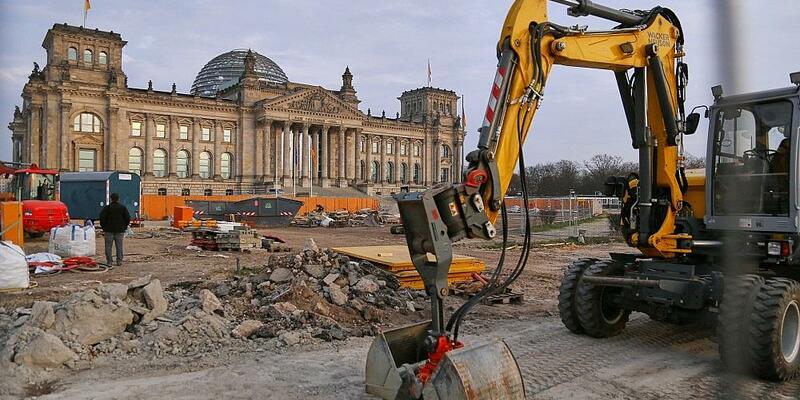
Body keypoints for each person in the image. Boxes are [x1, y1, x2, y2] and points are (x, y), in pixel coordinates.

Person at [99, 193, 130, 266]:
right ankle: (119, 261)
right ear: (118, 199)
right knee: (119, 246)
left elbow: (102, 218)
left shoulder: (107, 208)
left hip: (108, 230)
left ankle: (109, 261)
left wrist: (104, 227)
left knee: (108, 246)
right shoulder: (122, 208)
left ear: (111, 199)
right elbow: (128, 218)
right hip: (120, 230)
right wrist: (124, 226)